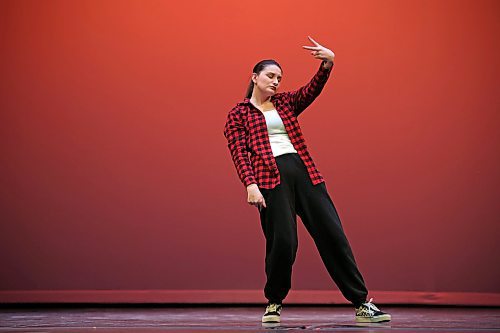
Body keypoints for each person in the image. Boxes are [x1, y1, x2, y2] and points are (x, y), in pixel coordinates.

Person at [223, 36, 391, 324]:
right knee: (283, 243)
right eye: (270, 76)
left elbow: (311, 91)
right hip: (269, 179)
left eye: (279, 77)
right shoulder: (238, 114)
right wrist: (250, 185)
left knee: (333, 235)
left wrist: (328, 63)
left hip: (305, 174)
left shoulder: (286, 102)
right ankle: (274, 302)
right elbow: (239, 153)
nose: (276, 81)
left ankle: (362, 303)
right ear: (255, 77)